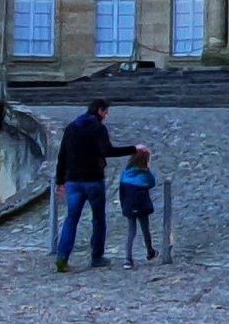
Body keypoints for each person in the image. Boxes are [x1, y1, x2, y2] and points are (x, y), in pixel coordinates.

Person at [54, 99, 145, 271]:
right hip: (93, 179)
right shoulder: (98, 128)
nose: (107, 116)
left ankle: (62, 257)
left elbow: (62, 155)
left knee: (71, 219)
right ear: (101, 111)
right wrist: (134, 149)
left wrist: (60, 180)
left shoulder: (71, 127)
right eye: (106, 112)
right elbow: (107, 151)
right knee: (98, 218)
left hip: (73, 180)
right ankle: (96, 257)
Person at [119, 148, 158, 268]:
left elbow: (122, 192)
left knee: (131, 231)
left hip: (129, 206)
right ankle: (150, 251)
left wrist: (124, 207)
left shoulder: (125, 174)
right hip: (142, 206)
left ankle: (127, 259)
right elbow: (152, 183)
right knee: (145, 229)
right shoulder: (145, 174)